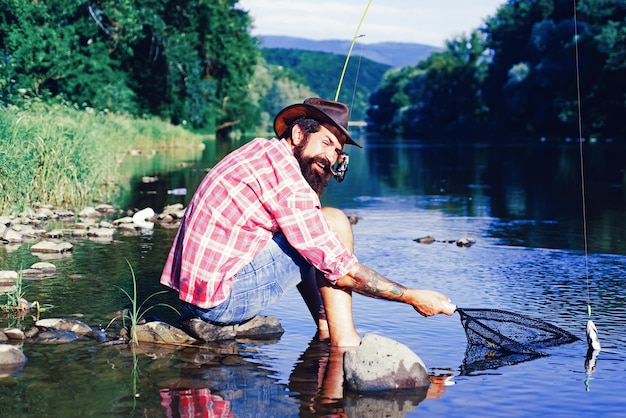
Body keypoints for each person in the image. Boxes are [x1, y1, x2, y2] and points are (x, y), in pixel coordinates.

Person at [160, 98, 455, 348]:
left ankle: (325, 328)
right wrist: (413, 296)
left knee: (312, 232)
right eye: (326, 142)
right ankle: (345, 341)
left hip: (195, 293)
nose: (331, 157)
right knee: (334, 222)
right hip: (218, 302)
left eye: (338, 151)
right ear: (299, 134)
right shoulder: (287, 182)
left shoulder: (262, 152)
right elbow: (343, 271)